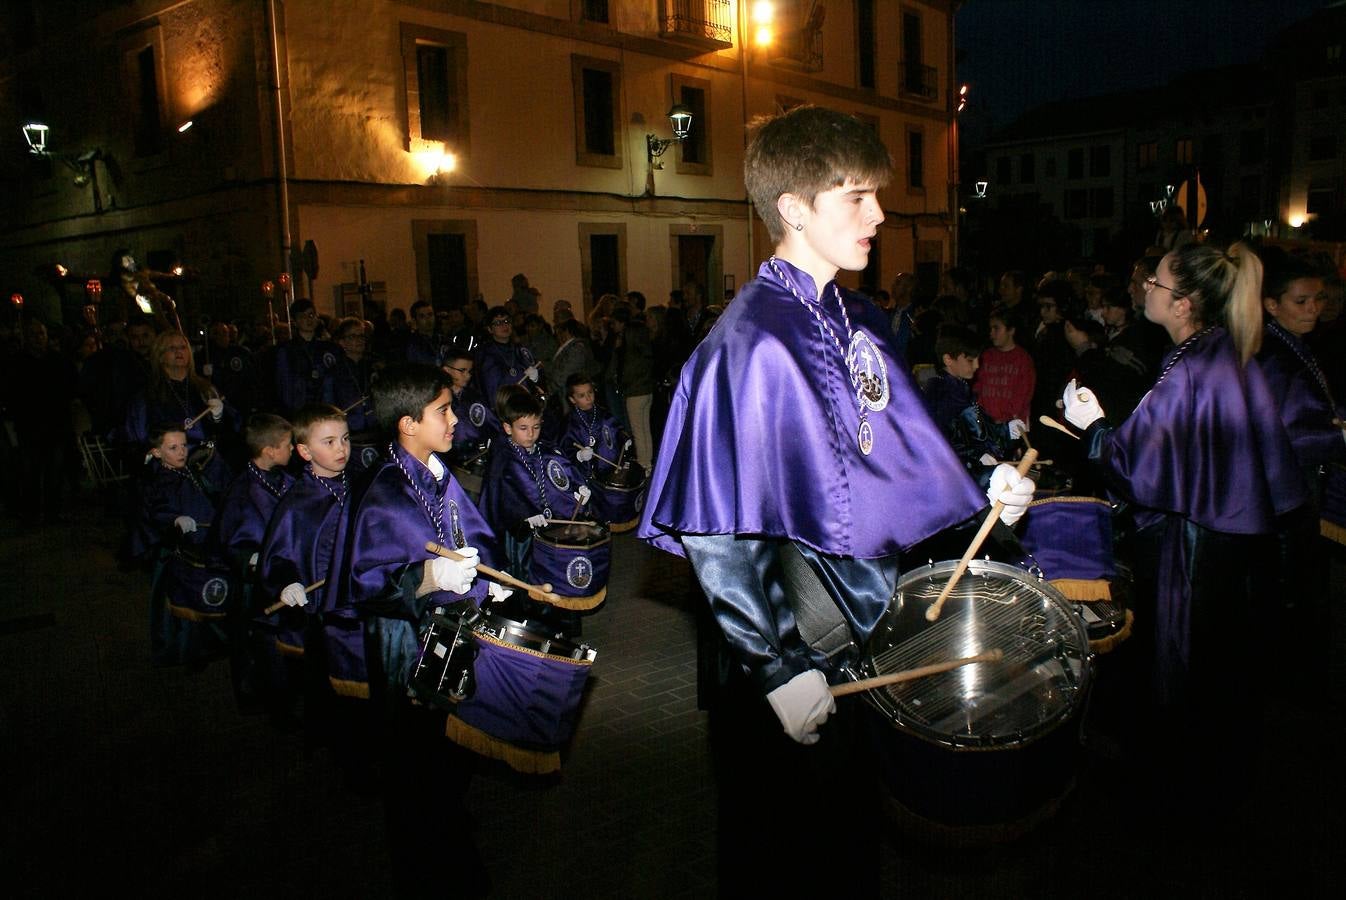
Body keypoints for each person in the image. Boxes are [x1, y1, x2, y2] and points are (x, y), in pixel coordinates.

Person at [636, 105, 1032, 896]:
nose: (880, 215)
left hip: (862, 639)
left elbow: (888, 454)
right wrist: (777, 666)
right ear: (793, 208)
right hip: (790, 654)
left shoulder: (856, 316)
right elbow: (722, 531)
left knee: (850, 848)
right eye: (856, 196)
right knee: (783, 855)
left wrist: (985, 496)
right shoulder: (747, 344)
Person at [1062, 241, 1306, 814]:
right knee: (1222, 674)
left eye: (1158, 284)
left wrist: (1093, 427)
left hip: (1197, 550)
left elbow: (1136, 465)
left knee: (1185, 668)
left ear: (1185, 304)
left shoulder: (1194, 366)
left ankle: (1180, 798)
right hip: (1233, 548)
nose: (1146, 288)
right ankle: (1214, 786)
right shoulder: (1219, 355)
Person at [342, 363, 503, 897]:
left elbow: (469, 529)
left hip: (445, 638)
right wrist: (427, 576)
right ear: (408, 423)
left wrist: (490, 579)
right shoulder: (388, 492)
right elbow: (369, 581)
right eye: (443, 410)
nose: (455, 418)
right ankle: (424, 869)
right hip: (405, 648)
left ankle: (448, 832)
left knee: (446, 756)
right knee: (413, 765)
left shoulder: (434, 470)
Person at [257, 405, 369, 776]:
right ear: (304, 451)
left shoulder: (359, 483)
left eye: (346, 439)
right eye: (329, 442)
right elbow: (279, 554)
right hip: (323, 612)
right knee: (333, 686)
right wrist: (287, 581)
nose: (342, 448)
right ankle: (343, 753)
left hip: (363, 602)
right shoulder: (297, 502)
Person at [1254, 247, 1342, 689]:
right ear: (1273, 304)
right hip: (1285, 490)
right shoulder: (1273, 355)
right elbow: (1281, 434)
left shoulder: (1293, 346)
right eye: (1302, 302)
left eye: (1319, 300)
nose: (1314, 309)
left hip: (1298, 485)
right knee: (1292, 585)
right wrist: (1338, 436)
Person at [213, 413, 295, 710]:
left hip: (283, 573)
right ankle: (262, 698)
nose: (292, 449)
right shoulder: (243, 490)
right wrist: (254, 558)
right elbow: (231, 540)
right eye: (287, 444)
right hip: (254, 584)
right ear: (269, 451)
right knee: (257, 644)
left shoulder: (287, 480)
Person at [479, 384, 595, 583]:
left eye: (536, 427)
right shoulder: (502, 457)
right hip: (522, 537)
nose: (531, 434)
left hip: (552, 533)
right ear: (508, 427)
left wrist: (578, 489)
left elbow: (563, 475)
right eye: (523, 428)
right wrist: (522, 513)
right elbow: (500, 494)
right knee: (529, 579)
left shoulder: (545, 450)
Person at [132, 423, 227, 667]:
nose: (182, 452)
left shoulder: (189, 470)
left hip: (203, 545)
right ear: (157, 452)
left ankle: (209, 642)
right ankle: (185, 650)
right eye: (173, 448)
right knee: (181, 603)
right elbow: (155, 512)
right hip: (178, 553)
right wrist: (174, 520)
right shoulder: (158, 481)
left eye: (184, 445)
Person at [922, 326, 1025, 488]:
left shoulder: (960, 388)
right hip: (953, 479)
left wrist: (1006, 430)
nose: (977, 365)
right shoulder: (941, 396)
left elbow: (978, 427)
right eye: (970, 360)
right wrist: (975, 456)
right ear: (948, 359)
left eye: (977, 359)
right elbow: (943, 442)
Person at [274, 299, 338, 416]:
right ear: (295, 321)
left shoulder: (328, 348)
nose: (308, 319)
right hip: (299, 410)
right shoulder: (286, 350)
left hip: (326, 408)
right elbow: (284, 385)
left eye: (311, 315)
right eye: (303, 316)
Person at [973, 305, 1036, 425]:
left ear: (1011, 330)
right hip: (987, 424)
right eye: (990, 329)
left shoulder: (1023, 359)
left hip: (1013, 426)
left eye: (996, 328)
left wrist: (1005, 418)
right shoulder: (986, 356)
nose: (991, 333)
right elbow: (978, 387)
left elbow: (1023, 395)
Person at [473, 306, 538, 408]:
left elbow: (534, 377)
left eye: (507, 321)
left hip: (524, 405)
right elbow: (488, 386)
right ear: (490, 329)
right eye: (498, 323)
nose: (504, 325)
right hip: (502, 406)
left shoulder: (519, 350)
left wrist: (535, 378)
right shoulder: (485, 353)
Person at [321, 317, 376, 433]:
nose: (359, 340)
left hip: (373, 428)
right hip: (348, 430)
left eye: (361, 336)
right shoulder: (334, 372)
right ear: (342, 342)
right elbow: (329, 405)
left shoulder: (372, 367)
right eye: (353, 336)